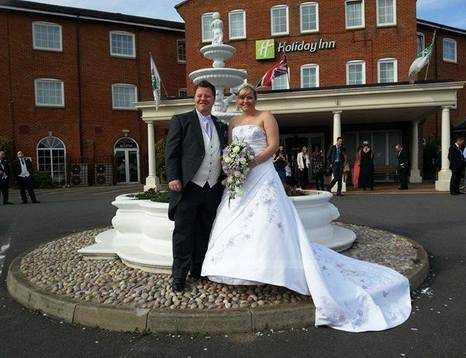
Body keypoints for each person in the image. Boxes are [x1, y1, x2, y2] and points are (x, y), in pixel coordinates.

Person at [202, 84, 411, 333]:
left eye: (249, 97)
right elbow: (229, 150)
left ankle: (273, 269)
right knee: (234, 219)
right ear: (237, 101)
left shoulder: (266, 117)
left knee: (265, 221)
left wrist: (251, 161)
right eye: (242, 98)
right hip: (242, 179)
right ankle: (233, 268)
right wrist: (235, 165)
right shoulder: (234, 123)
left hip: (262, 174)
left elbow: (272, 146)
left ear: (255, 99)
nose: (245, 101)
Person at [165, 80, 227, 292]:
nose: (203, 99)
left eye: (207, 96)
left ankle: (198, 270)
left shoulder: (220, 125)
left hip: (212, 189)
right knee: (183, 234)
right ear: (195, 98)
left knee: (204, 231)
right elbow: (171, 152)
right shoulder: (181, 120)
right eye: (200, 95)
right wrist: (173, 177)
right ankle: (179, 277)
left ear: (213, 99)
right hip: (188, 187)